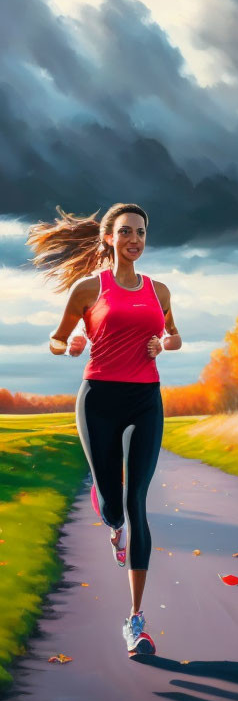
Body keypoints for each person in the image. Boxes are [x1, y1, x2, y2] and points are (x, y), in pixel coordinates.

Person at [26, 202, 182, 656]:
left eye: (141, 232)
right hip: (98, 398)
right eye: (126, 232)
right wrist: (70, 344)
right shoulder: (89, 288)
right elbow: (56, 341)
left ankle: (135, 620)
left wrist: (163, 344)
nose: (135, 239)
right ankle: (108, 515)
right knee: (114, 502)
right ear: (109, 238)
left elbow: (175, 335)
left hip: (145, 399)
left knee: (138, 501)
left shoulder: (160, 290)